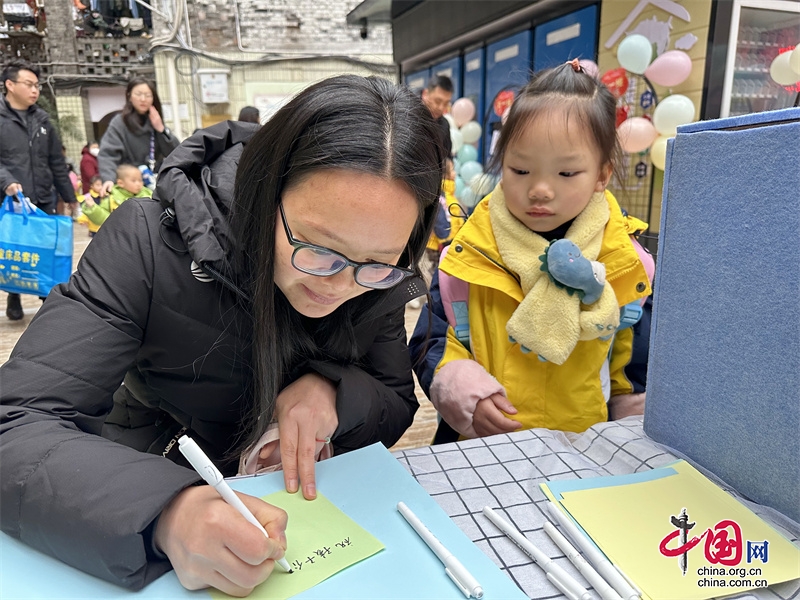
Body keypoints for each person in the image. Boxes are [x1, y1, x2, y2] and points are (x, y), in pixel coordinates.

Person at [0, 74, 445, 595]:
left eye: (377, 264)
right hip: (145, 477)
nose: (341, 286)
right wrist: (167, 511)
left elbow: (394, 399)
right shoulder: (147, 242)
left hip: (311, 522)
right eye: (319, 249)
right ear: (265, 190)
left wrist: (332, 391)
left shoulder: (374, 280)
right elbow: (16, 423)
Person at [409, 59, 652, 444]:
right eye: (520, 170)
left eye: (566, 173)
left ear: (602, 175)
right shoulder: (471, 250)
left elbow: (634, 362)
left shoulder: (625, 261)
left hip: (584, 447)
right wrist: (462, 389)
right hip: (483, 445)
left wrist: (625, 429)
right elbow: (435, 336)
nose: (540, 189)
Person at [0, 59, 77, 321]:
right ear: (9, 85)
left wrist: (69, 197)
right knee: (17, 248)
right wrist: (6, 180)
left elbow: (57, 161)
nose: (35, 90)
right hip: (9, 200)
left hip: (43, 196)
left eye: (37, 85)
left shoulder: (43, 120)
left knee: (44, 249)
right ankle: (14, 293)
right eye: (29, 84)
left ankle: (48, 299)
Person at [97, 77, 179, 195]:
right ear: (129, 96)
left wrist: (161, 129)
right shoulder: (119, 122)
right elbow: (108, 154)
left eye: (148, 95)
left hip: (154, 183)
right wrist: (108, 179)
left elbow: (175, 153)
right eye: (138, 94)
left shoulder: (155, 120)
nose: (143, 99)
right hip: (129, 186)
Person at [82, 163, 152, 228]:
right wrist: (92, 208)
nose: (138, 184)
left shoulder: (148, 195)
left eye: (140, 180)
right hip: (121, 236)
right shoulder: (112, 199)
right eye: (134, 181)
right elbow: (103, 218)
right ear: (120, 183)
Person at [421, 74, 454, 158]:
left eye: (446, 103)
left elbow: (447, 156)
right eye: (437, 101)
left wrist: (448, 164)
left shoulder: (444, 125)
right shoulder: (409, 118)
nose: (441, 108)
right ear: (425, 94)